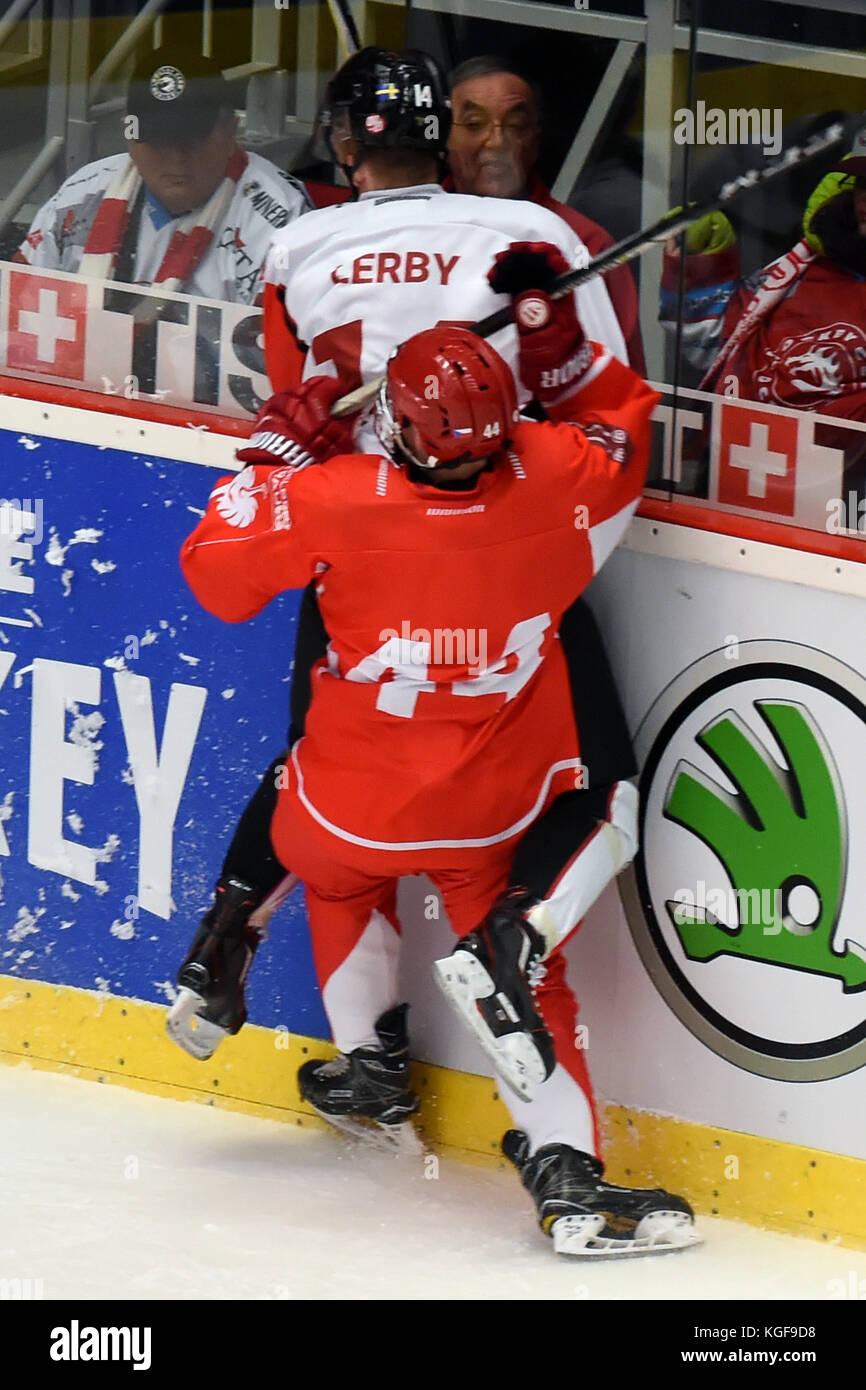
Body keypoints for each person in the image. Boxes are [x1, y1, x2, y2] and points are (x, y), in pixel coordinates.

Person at [179, 262, 698, 1256]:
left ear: (407, 430)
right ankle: (565, 1177)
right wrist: (559, 348)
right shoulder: (552, 479)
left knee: (330, 871)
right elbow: (618, 430)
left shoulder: (329, 500)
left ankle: (358, 1058)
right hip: (486, 814)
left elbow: (214, 573)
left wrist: (271, 457)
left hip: (342, 806)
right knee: (531, 982)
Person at [15, 46, 310, 303]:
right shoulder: (80, 195)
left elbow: (279, 354)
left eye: (191, 140)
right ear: (129, 135)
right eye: (158, 140)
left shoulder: (280, 216)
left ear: (230, 131)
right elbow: (15, 311)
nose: (176, 157)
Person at [660, 126, 866, 485]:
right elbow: (715, 347)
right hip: (731, 486)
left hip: (841, 516)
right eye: (864, 185)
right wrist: (700, 266)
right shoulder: (802, 268)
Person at [446, 54, 645, 374]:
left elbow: (622, 383)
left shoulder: (586, 243)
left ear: (536, 140)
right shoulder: (408, 226)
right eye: (474, 125)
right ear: (444, 138)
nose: (497, 142)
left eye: (516, 126)